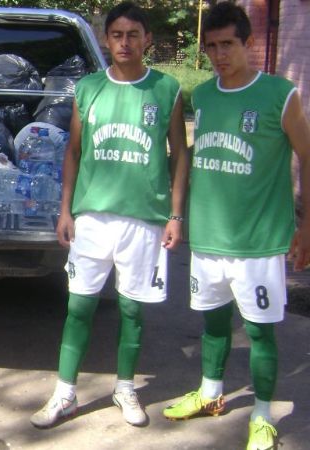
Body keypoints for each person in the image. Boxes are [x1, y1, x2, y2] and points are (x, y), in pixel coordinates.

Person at [30, 1, 189, 428]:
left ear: (147, 39)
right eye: (116, 35)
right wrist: (65, 209)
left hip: (145, 218)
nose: (124, 42)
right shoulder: (88, 88)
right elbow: (74, 152)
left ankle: (125, 387)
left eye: (133, 34)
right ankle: (65, 393)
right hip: (93, 218)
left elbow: (179, 155)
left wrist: (175, 215)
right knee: (78, 307)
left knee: (132, 310)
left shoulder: (167, 89)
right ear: (106, 39)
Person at [162, 3, 310, 449]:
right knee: (213, 324)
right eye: (211, 47)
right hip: (208, 238)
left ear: (249, 43)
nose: (219, 54)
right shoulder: (203, 96)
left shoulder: (280, 94)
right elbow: (190, 160)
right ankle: (210, 394)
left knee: (261, 330)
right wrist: (179, 215)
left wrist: (307, 228)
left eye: (228, 44)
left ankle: (263, 416)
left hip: (259, 242)